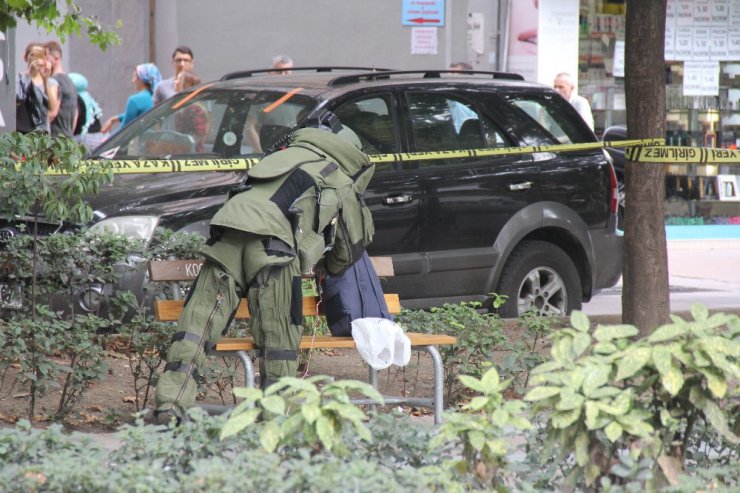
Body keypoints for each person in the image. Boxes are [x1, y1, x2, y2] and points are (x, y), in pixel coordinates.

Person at [154, 112, 375, 425]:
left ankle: (169, 408)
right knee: (278, 344)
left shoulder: (283, 155)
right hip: (274, 250)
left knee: (196, 329)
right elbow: (348, 251)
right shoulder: (337, 176)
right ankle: (274, 423)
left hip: (227, 235)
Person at [101, 63, 162, 133]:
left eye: (134, 77)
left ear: (141, 79)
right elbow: (135, 116)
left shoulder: (134, 100)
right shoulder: (156, 97)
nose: (133, 80)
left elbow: (124, 129)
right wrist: (114, 119)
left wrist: (106, 141)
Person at [15, 42, 59, 133]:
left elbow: (52, 107)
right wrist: (29, 75)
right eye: (32, 55)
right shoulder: (19, 79)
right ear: (26, 57)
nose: (35, 58)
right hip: (21, 131)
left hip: (41, 132)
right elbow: (17, 99)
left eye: (40, 55)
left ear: (45, 59)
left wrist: (45, 79)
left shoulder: (51, 82)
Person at [45, 40, 78, 138]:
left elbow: (53, 112)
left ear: (56, 58)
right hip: (68, 138)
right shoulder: (71, 82)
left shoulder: (54, 81)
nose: (44, 63)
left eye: (47, 59)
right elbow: (76, 115)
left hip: (55, 138)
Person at [173, 70, 209, 152]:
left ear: (187, 85)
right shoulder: (182, 105)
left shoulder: (194, 109)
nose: (175, 82)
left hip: (189, 155)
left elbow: (198, 134)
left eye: (178, 79)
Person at [69, 72, 105, 151]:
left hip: (83, 138)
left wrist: (68, 137)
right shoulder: (88, 97)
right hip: (98, 137)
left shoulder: (75, 98)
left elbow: (74, 118)